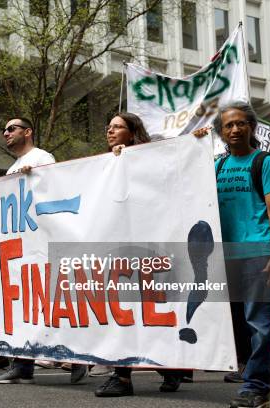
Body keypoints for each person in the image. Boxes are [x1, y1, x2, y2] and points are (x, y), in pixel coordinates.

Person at [0, 117, 82, 384]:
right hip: (19, 249)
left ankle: (78, 356)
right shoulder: (12, 168)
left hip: (40, 246)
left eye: (11, 129)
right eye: (4, 130)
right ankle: (23, 367)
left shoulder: (42, 156)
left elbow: (55, 191)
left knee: (51, 303)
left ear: (28, 132)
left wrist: (38, 177)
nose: (6, 133)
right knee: (23, 306)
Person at [95, 112, 186, 397]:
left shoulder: (148, 157)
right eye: (108, 126)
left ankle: (163, 368)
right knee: (123, 310)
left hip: (146, 247)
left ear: (132, 133)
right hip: (117, 248)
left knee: (143, 310)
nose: (110, 131)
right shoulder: (104, 163)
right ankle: (127, 375)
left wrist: (131, 158)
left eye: (118, 127)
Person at [207, 101, 270, 407]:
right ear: (221, 131)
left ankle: (255, 387)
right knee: (236, 326)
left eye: (241, 123)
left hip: (258, 251)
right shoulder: (216, 166)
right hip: (227, 257)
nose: (234, 129)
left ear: (251, 127)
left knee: (259, 322)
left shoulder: (264, 162)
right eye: (228, 125)